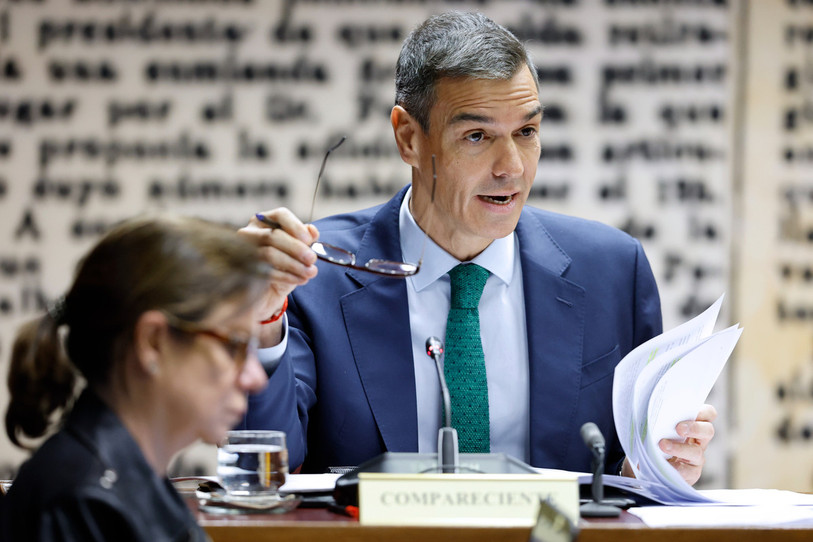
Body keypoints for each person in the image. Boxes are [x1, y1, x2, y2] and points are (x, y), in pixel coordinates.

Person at [239, 11, 716, 485]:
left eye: (526, 132)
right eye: (476, 136)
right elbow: (258, 470)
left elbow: (621, 478)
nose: (511, 167)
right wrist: (259, 319)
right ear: (408, 137)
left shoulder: (612, 270)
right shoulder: (311, 276)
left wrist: (648, 472)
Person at [2, 214, 279, 541]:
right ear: (153, 342)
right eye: (235, 345)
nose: (256, 378)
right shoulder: (85, 504)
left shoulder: (122, 481)